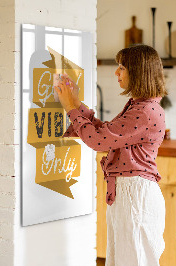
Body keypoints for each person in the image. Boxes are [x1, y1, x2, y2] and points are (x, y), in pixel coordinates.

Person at [55, 44, 167, 266]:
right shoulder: (140, 106)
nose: (116, 72)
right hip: (129, 194)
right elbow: (106, 133)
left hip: (135, 196)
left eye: (122, 67)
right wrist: (76, 104)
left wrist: (70, 108)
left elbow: (98, 141)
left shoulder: (144, 111)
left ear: (138, 72)